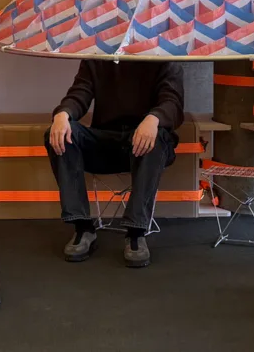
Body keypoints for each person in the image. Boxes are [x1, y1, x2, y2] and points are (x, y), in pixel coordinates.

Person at [45, 60, 184, 268]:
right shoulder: (97, 55)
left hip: (146, 143)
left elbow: (172, 102)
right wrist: (62, 114)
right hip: (105, 140)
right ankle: (83, 227)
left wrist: (153, 119)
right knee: (58, 134)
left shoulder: (163, 55)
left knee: (156, 139)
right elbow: (79, 93)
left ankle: (136, 232)